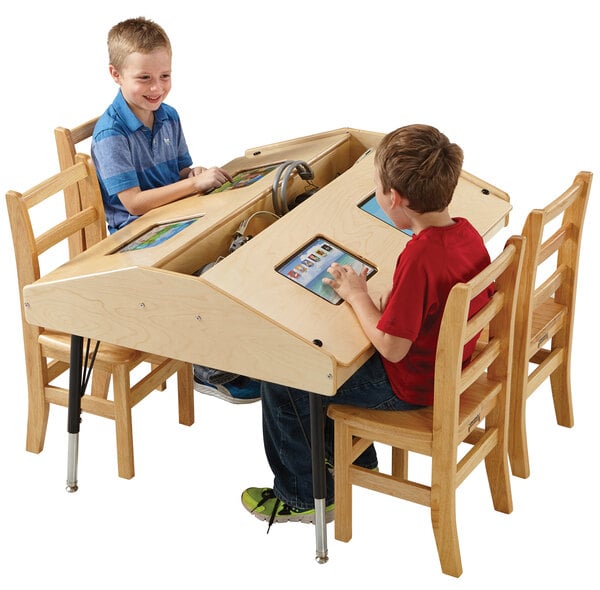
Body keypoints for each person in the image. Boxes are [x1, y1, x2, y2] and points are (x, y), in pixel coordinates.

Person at [241, 124, 493, 526]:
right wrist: (388, 306)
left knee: (286, 376)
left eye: (377, 188)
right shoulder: (465, 233)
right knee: (334, 356)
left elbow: (392, 348)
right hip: (444, 367)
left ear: (394, 199)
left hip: (412, 386)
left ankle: (302, 495)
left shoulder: (421, 257)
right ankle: (355, 456)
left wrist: (358, 296)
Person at [91, 16, 260, 404]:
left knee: (239, 249)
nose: (157, 88)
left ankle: (230, 353)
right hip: (138, 237)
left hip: (174, 217)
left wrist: (192, 173)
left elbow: (181, 168)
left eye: (164, 76)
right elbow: (131, 202)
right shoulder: (111, 133)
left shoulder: (169, 116)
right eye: (145, 78)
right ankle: (204, 369)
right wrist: (191, 185)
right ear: (116, 74)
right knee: (211, 274)